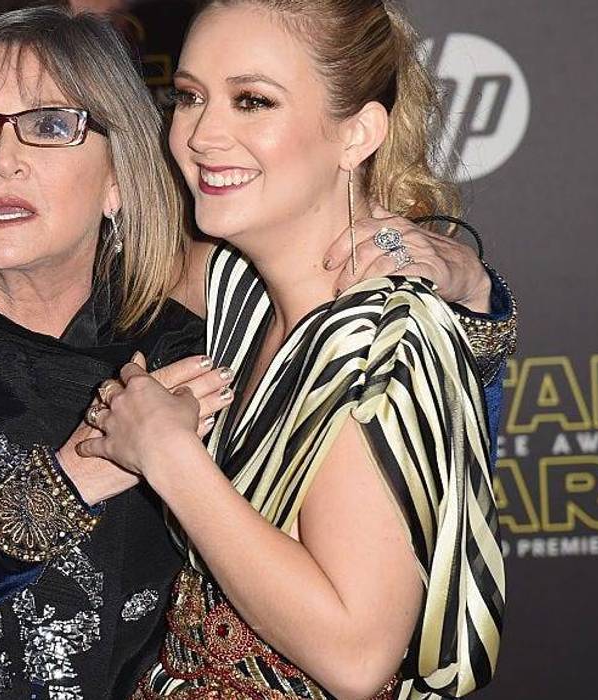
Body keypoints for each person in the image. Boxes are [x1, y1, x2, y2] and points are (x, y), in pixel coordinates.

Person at [0, 6, 513, 700]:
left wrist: (473, 294)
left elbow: (418, 476)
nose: (2, 159)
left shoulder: (196, 331)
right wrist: (74, 475)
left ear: (117, 174)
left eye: (49, 126)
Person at [70, 1, 506, 698]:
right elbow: (94, 235)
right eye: (188, 97)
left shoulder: (380, 339)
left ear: (356, 132)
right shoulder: (240, 289)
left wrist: (168, 454)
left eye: (252, 101)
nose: (202, 134)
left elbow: (355, 657)